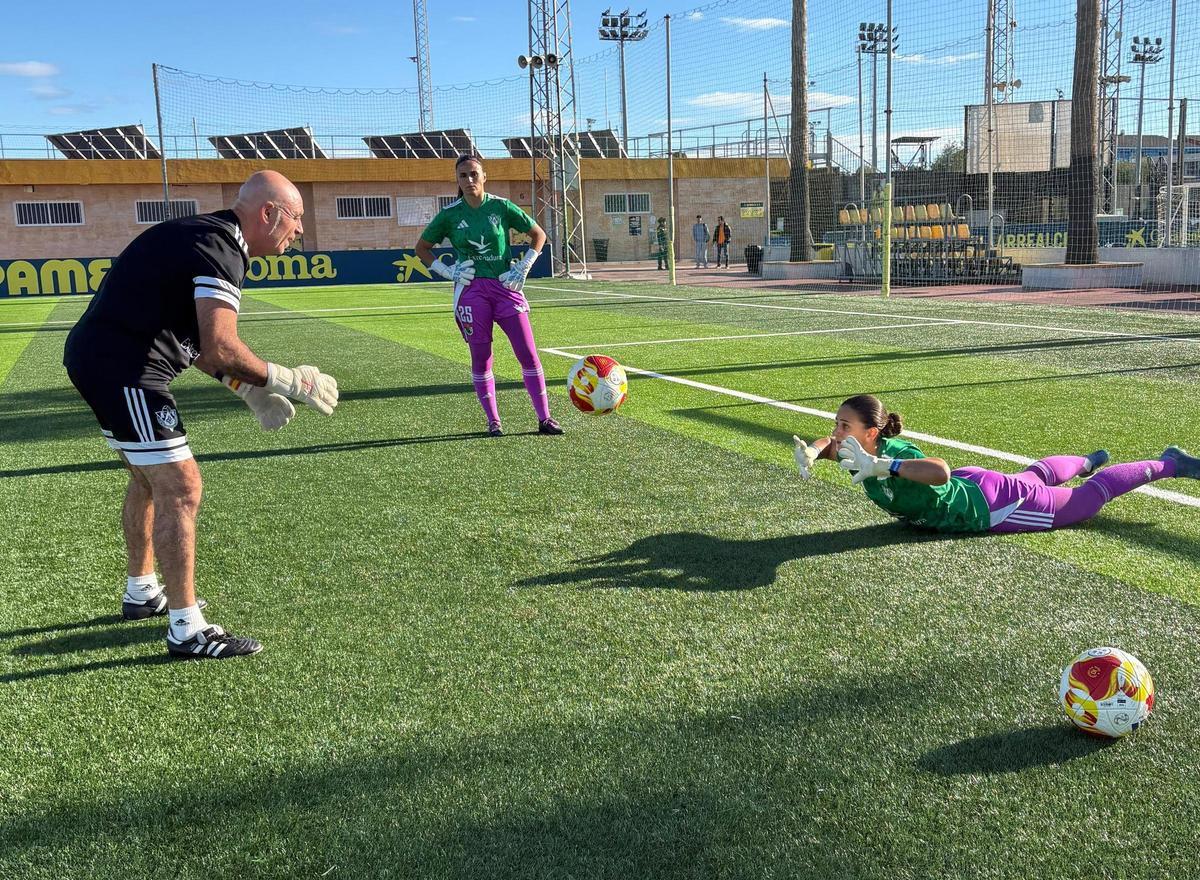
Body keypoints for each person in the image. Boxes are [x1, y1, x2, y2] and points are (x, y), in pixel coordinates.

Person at [63, 171, 339, 660]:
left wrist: (249, 392)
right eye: (296, 217)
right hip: (126, 368)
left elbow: (202, 350)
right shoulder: (221, 246)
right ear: (268, 213)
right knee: (182, 486)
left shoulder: (207, 237)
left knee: (150, 479)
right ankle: (187, 630)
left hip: (105, 361)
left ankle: (142, 591)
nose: (300, 230)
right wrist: (293, 381)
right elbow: (223, 345)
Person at [792, 394, 1200, 534]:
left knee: (1085, 502)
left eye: (845, 424)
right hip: (977, 488)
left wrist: (886, 468)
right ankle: (1087, 459)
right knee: (1034, 476)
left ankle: (1170, 463)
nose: (837, 430)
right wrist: (813, 450)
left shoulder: (895, 456)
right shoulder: (855, 451)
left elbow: (939, 472)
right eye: (837, 423)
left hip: (990, 505)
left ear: (871, 432)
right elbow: (829, 445)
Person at [415, 153, 563, 437]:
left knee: (528, 354)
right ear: (457, 180)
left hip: (505, 287)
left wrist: (524, 266)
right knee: (481, 358)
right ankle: (494, 421)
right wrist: (448, 272)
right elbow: (421, 248)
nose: (469, 180)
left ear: (484, 177)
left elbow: (539, 234)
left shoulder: (502, 207)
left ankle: (545, 419)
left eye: (474, 174)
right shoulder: (449, 214)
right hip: (471, 292)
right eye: (463, 175)